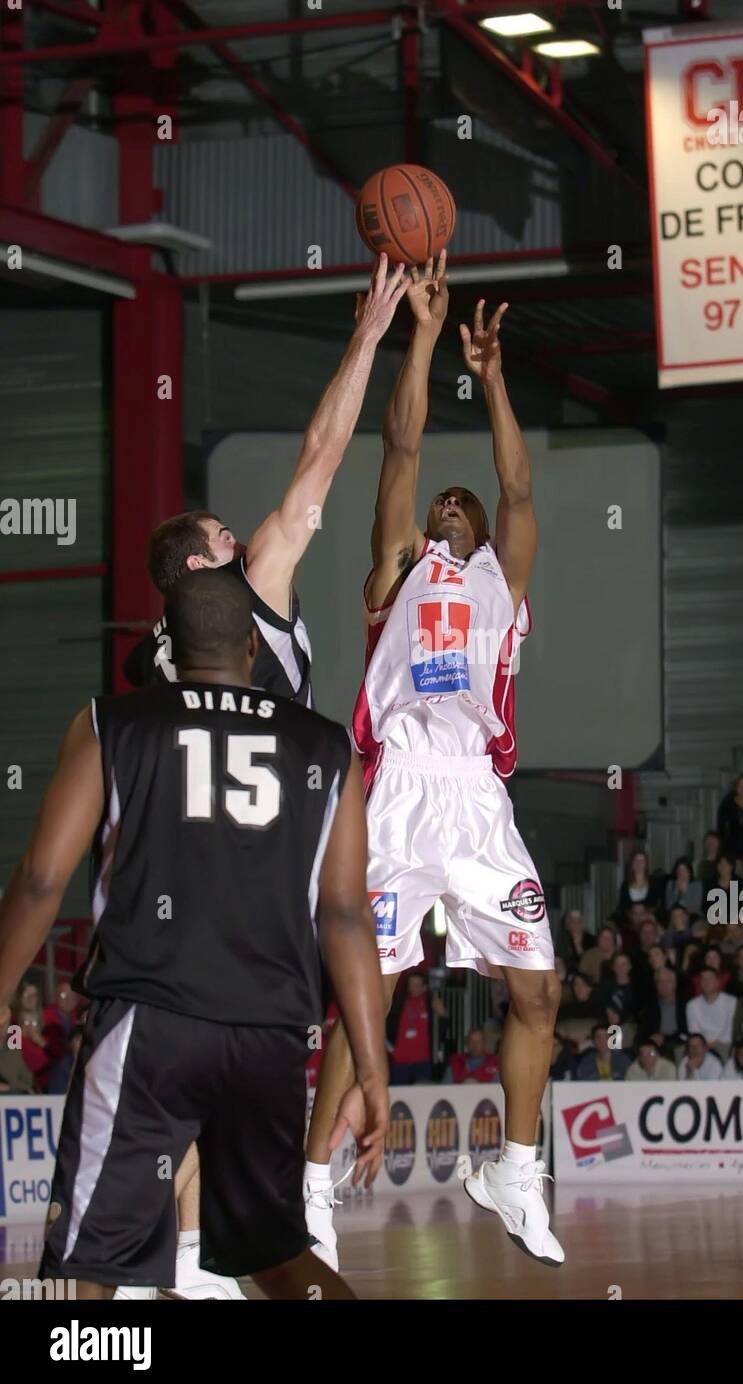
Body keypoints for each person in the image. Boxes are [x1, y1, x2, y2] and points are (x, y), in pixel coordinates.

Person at [0, 571, 389, 1301]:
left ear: (169, 645)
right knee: (275, 1258)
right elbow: (345, 914)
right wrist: (370, 1067)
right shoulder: (325, 746)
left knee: (94, 1262)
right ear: (252, 643)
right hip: (270, 1030)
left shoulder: (112, 723)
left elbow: (43, 877)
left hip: (149, 1023)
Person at [304, 262, 564, 1268]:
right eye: (438, 506)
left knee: (538, 990)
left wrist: (492, 377)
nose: (450, 506)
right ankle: (313, 1181)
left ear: (485, 537)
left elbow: (518, 484)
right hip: (398, 793)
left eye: (465, 506)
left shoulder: (505, 578)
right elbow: (403, 442)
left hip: (479, 804)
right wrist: (421, 334)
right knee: (369, 985)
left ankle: (512, 1168)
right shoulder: (393, 576)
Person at [125, 254, 409, 707]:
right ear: (199, 564)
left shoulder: (152, 652)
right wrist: (369, 334)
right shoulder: (254, 578)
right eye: (223, 537)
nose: (237, 542)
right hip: (286, 772)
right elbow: (322, 455)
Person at [387, 972, 438, 1084]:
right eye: (411, 984)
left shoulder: (430, 1003)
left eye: (417, 984)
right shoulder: (399, 1003)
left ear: (424, 987)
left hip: (423, 1060)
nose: (413, 988)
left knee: (422, 1096)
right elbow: (386, 1026)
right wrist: (392, 1050)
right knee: (398, 1095)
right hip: (400, 1061)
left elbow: (443, 1021)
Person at [685, 968, 737, 1059]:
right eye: (703, 979)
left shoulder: (731, 1002)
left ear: (718, 982)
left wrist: (713, 1044)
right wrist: (704, 1045)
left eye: (710, 978)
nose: (706, 982)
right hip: (701, 1045)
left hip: (724, 1043)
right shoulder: (692, 1005)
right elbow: (694, 1031)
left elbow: (729, 1030)